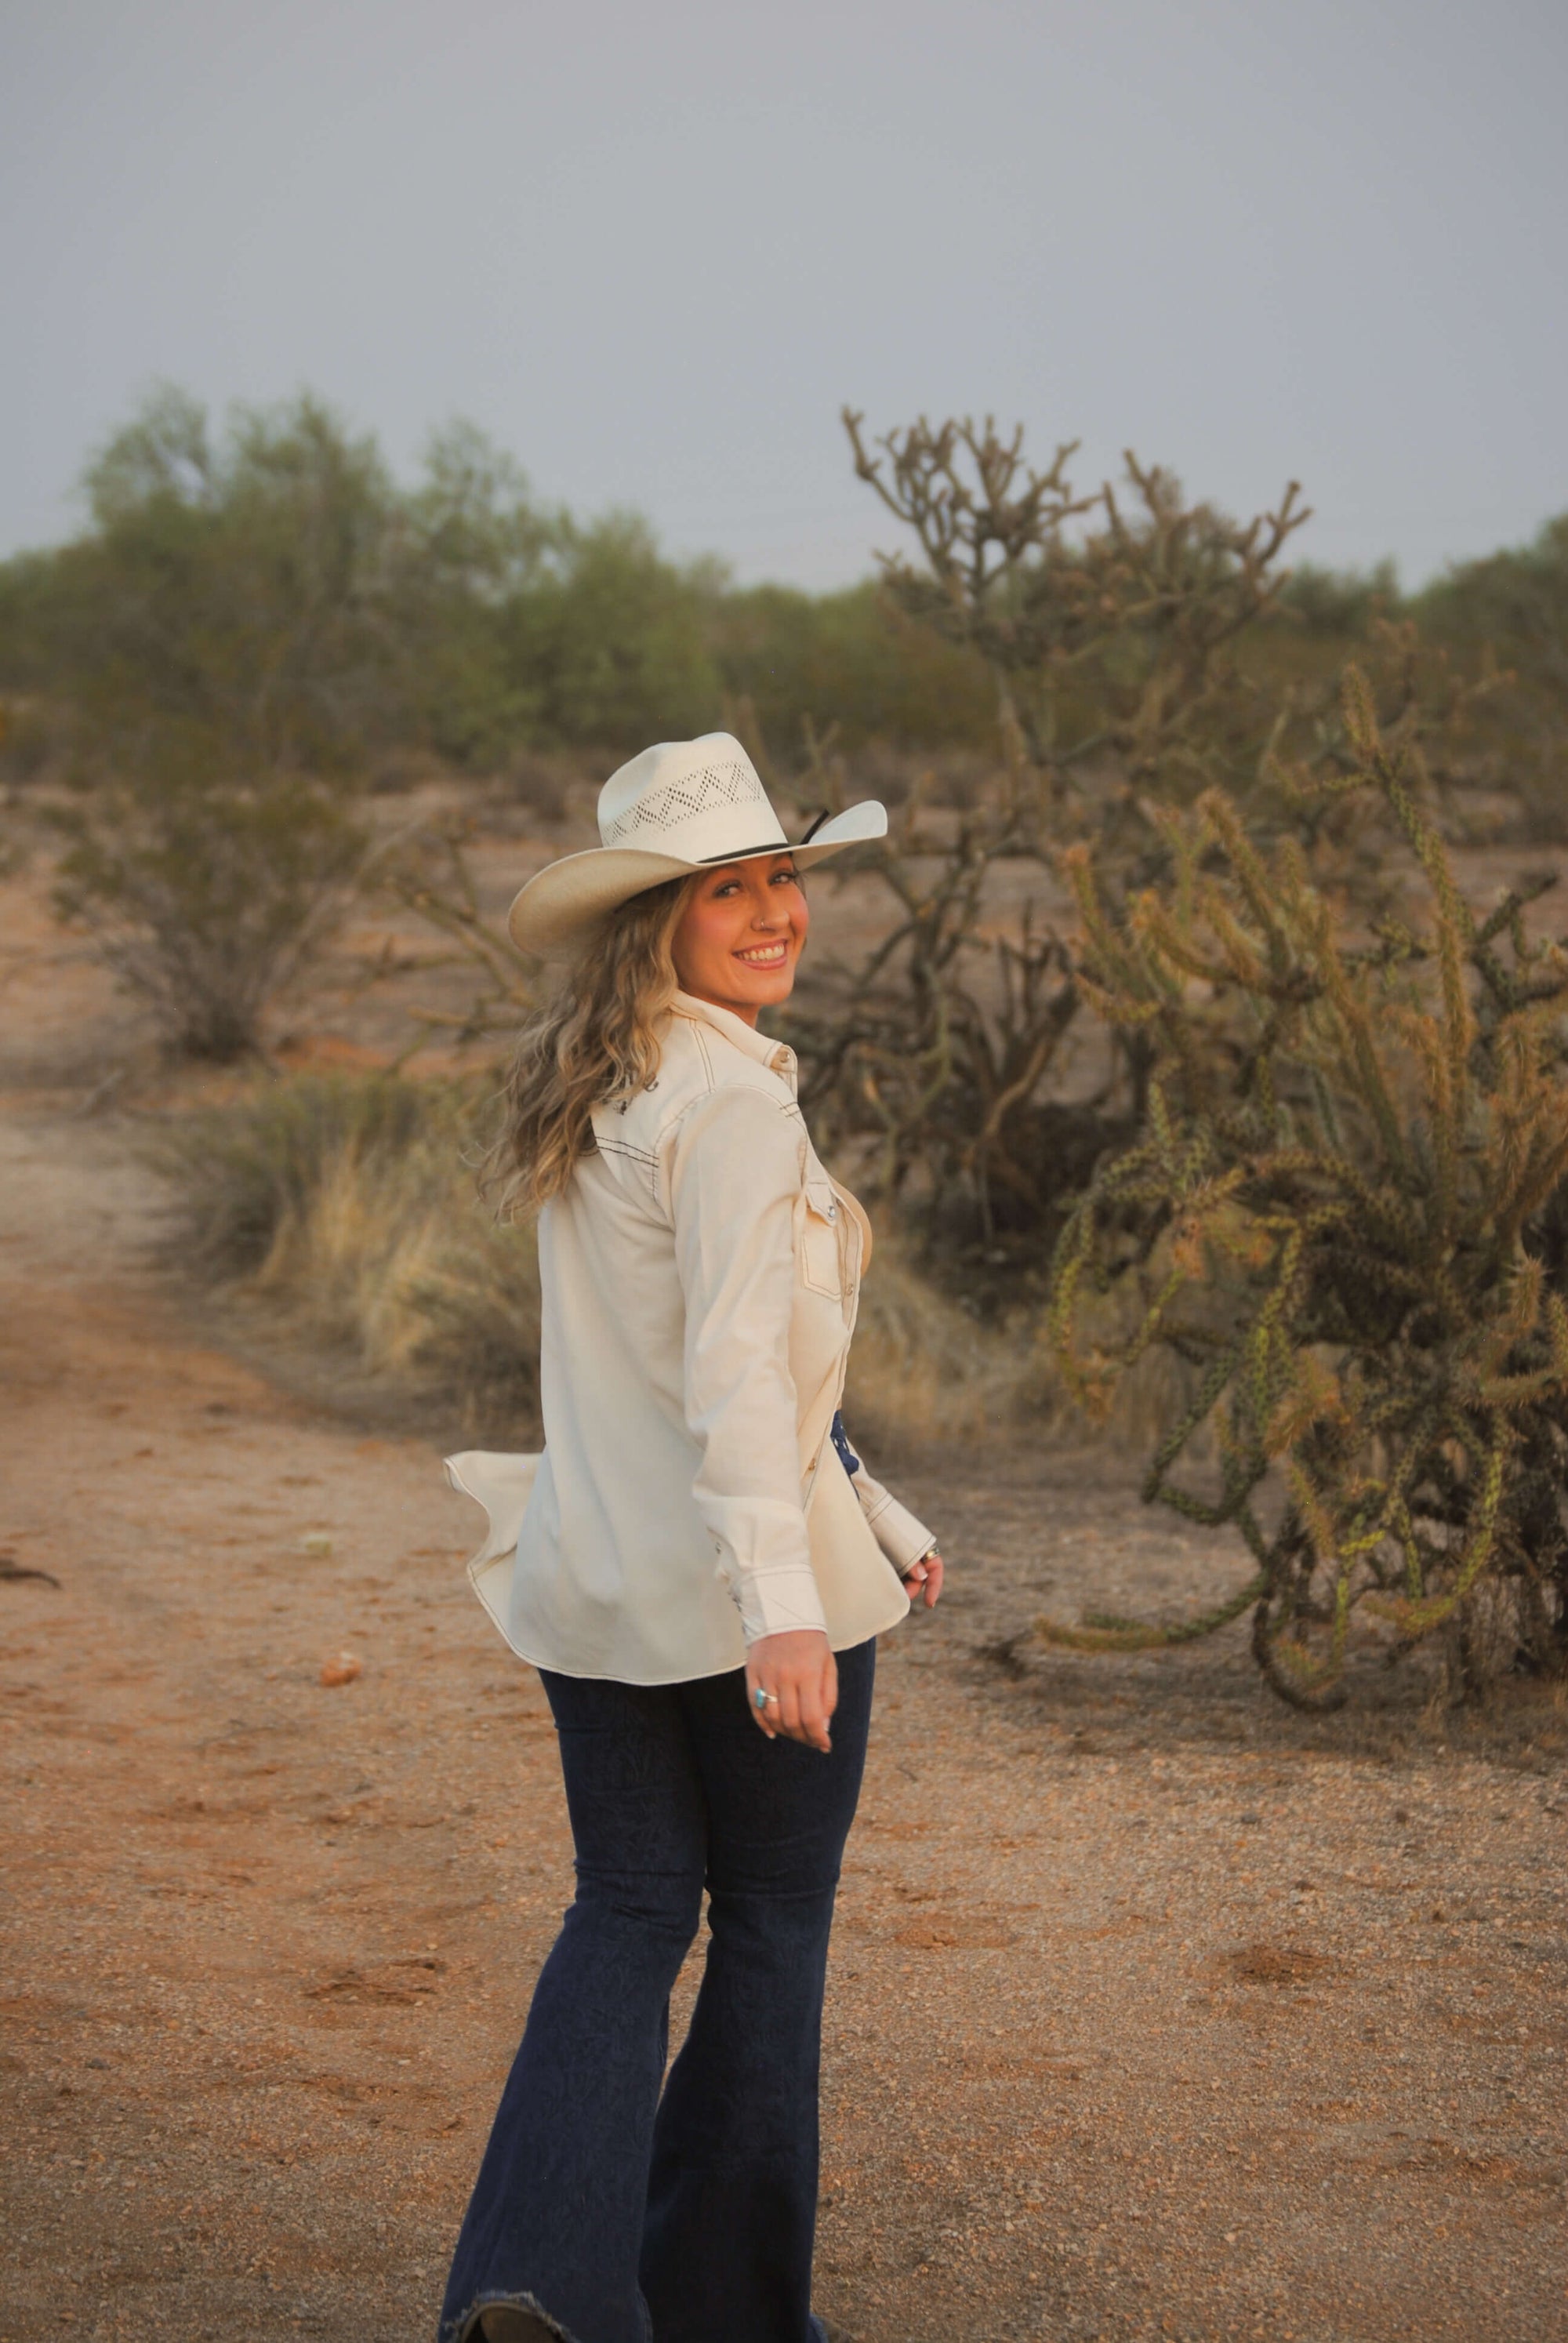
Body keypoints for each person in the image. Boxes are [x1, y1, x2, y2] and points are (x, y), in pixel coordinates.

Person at [438, 733, 943, 2343]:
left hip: (597, 1587)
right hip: (740, 1607)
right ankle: (725, 2313)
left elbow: (701, 1373)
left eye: (783, 875)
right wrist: (786, 1612)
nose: (775, 911)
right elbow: (729, 1372)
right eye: (730, 886)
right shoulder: (727, 1103)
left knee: (629, 1911)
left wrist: (866, 1508)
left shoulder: (604, 1077)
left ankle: (545, 2295)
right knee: (772, 1926)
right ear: (655, 918)